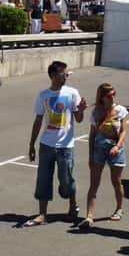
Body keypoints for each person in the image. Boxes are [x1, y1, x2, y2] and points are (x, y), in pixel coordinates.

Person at [24, 61, 87, 227]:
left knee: (66, 180)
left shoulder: (72, 93)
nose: (66, 77)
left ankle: (73, 207)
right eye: (63, 74)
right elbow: (38, 120)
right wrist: (31, 144)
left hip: (66, 146)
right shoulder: (43, 95)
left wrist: (81, 110)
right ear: (53, 76)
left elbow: (79, 119)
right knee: (43, 179)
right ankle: (42, 214)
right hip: (46, 145)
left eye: (67, 74)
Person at [80, 83, 127, 229]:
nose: (112, 97)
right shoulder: (96, 113)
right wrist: (90, 155)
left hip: (116, 148)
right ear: (102, 97)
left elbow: (124, 131)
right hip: (99, 148)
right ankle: (89, 216)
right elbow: (92, 135)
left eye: (114, 94)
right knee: (94, 183)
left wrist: (117, 146)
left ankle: (119, 209)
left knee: (116, 180)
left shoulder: (120, 110)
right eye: (109, 95)